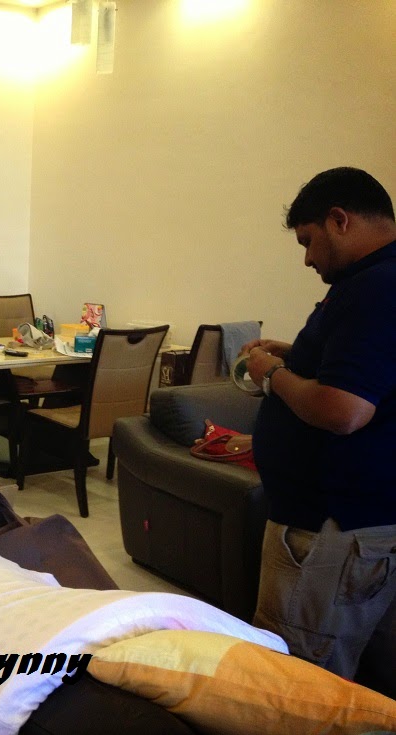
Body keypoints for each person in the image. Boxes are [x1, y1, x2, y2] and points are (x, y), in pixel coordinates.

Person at [242, 167, 396, 697]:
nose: (307, 259)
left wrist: (271, 374)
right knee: (356, 684)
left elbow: (343, 411)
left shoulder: (375, 287)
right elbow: (368, 375)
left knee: (294, 687)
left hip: (333, 533)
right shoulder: (373, 282)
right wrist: (297, 353)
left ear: (339, 220)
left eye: (308, 241)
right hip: (355, 524)